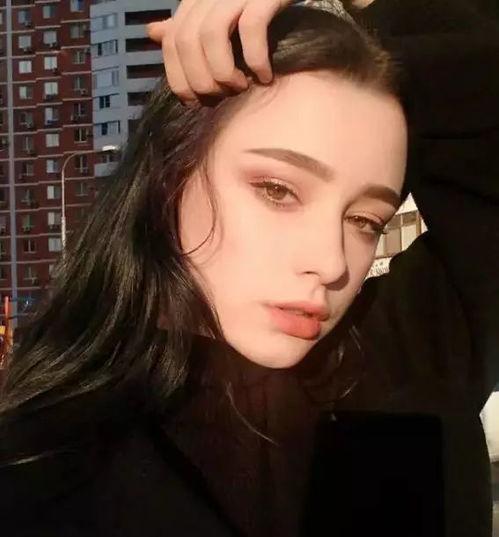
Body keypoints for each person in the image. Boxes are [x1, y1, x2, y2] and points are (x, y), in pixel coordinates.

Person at [0, 1, 498, 536]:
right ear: (169, 178)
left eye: (364, 220)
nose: (331, 263)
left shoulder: (405, 377)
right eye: (278, 190)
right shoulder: (37, 472)